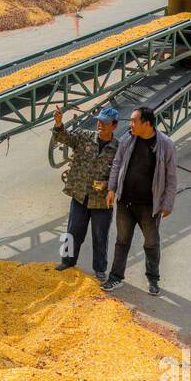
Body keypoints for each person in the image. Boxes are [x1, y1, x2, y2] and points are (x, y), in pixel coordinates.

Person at [103, 106, 177, 296]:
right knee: (122, 241)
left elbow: (171, 176)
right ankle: (115, 277)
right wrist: (112, 188)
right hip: (125, 202)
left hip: (149, 206)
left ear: (147, 124)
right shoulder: (128, 139)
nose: (130, 124)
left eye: (134, 121)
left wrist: (167, 203)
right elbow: (117, 164)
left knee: (151, 243)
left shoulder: (165, 145)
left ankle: (153, 279)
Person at [50, 106, 120, 278]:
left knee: (100, 236)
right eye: (99, 121)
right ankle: (66, 261)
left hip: (102, 201)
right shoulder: (84, 137)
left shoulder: (118, 148)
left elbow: (121, 173)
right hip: (80, 195)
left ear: (114, 126)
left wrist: (107, 184)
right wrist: (58, 123)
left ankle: (100, 269)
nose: (100, 125)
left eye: (105, 122)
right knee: (73, 231)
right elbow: (63, 137)